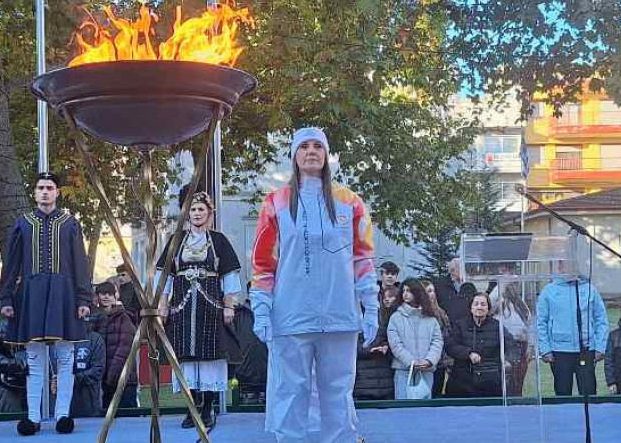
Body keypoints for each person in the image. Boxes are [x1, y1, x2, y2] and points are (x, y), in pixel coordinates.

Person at [250, 127, 379, 443]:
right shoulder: (275, 203)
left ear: (326, 154)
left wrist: (371, 305)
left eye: (317, 146)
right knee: (290, 392)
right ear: (294, 155)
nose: (311, 152)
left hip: (339, 314)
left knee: (337, 393)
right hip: (291, 316)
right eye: (304, 146)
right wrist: (262, 309)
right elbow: (263, 263)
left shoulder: (350, 201)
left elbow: (363, 258)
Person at [0, 172, 92, 436]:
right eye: (40, 188)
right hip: (31, 297)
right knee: (34, 360)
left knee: (65, 357)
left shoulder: (70, 224)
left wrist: (83, 298)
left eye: (49, 187)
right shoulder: (22, 224)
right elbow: (11, 265)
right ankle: (33, 417)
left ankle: (62, 415)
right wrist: (5, 298)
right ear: (34, 193)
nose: (45, 192)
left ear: (57, 192)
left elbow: (81, 264)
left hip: (64, 296)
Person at [157, 190, 241, 430]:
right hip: (183, 305)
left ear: (209, 213)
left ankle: (207, 409)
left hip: (211, 304)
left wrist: (229, 305)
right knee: (186, 357)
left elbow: (230, 276)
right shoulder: (176, 240)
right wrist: (162, 305)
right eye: (192, 209)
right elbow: (165, 277)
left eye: (200, 209)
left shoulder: (218, 240)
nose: (196, 213)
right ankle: (192, 407)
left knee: (210, 355)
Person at [536, 275, 608, 397]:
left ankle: (589, 416)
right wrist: (545, 349)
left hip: (586, 349)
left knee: (589, 393)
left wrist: (600, 346)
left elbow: (601, 319)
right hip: (559, 350)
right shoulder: (549, 291)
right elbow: (540, 322)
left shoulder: (590, 289)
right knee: (562, 394)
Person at [387, 278, 443, 400]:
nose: (405, 294)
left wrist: (429, 360)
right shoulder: (395, 318)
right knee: (403, 409)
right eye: (404, 290)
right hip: (403, 371)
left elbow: (437, 342)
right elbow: (395, 344)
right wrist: (411, 361)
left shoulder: (431, 319)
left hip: (425, 371)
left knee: (424, 410)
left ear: (418, 293)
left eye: (409, 291)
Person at [445, 293, 505, 397]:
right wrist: (468, 353)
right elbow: (450, 346)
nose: (479, 307)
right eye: (476, 304)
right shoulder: (460, 325)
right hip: (463, 382)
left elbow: (511, 345)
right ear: (471, 308)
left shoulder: (497, 326)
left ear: (488, 308)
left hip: (490, 382)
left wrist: (508, 360)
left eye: (483, 304)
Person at [96, 282, 139, 409]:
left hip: (124, 379)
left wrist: (112, 375)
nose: (106, 297)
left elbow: (125, 348)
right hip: (105, 380)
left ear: (116, 296)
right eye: (103, 293)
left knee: (126, 419)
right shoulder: (98, 318)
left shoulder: (124, 317)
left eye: (110, 294)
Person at [0, 315, 28, 413]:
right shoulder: (0, 325)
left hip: (35, 383)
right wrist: (12, 366)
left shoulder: (37, 321)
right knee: (9, 422)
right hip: (7, 384)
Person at [493, 282, 532, 397]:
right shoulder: (500, 302)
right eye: (513, 283)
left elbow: (528, 325)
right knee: (507, 382)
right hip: (506, 346)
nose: (516, 286)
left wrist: (529, 345)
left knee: (517, 384)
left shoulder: (520, 304)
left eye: (516, 283)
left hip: (521, 346)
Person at [69, 318, 106, 418]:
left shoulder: (95, 339)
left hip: (89, 404)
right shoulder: (60, 340)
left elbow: (97, 370)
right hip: (60, 407)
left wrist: (69, 379)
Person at [423, 280, 451, 398]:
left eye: (433, 291)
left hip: (440, 362)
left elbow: (448, 334)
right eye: (429, 291)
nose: (432, 294)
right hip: (424, 362)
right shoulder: (419, 314)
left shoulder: (441, 312)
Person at [435, 258, 479, 324]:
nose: (465, 270)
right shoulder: (440, 285)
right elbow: (435, 304)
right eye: (462, 268)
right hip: (448, 326)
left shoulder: (470, 286)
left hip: (468, 327)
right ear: (453, 271)